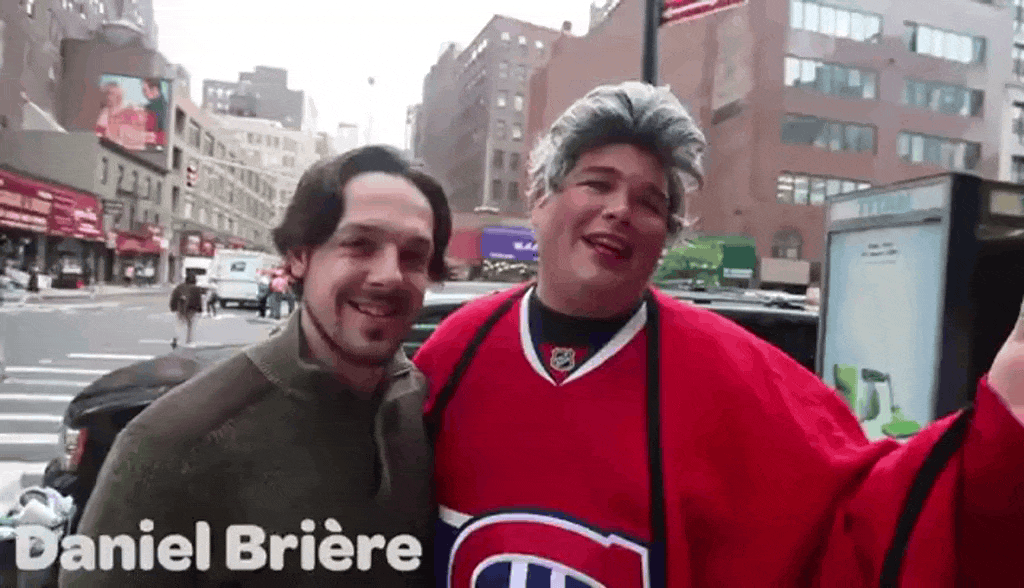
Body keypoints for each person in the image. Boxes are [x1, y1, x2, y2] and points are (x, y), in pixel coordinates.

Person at [413, 82, 1024, 587]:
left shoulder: (735, 377)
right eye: (597, 183)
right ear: (540, 199)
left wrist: (1001, 439)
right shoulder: (456, 351)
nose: (621, 210)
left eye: (650, 202)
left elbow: (866, 517)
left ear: (665, 237)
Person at [60, 145, 452, 587]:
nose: (390, 275)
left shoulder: (428, 410)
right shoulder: (172, 446)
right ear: (299, 256)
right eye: (359, 245)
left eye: (414, 256)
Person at [169, 274, 203, 348]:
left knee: (180, 324)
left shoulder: (179, 287)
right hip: (192, 309)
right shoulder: (196, 288)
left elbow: (174, 297)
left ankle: (176, 338)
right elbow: (198, 300)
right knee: (191, 325)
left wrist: (173, 307)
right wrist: (200, 309)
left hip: (181, 308)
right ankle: (189, 341)